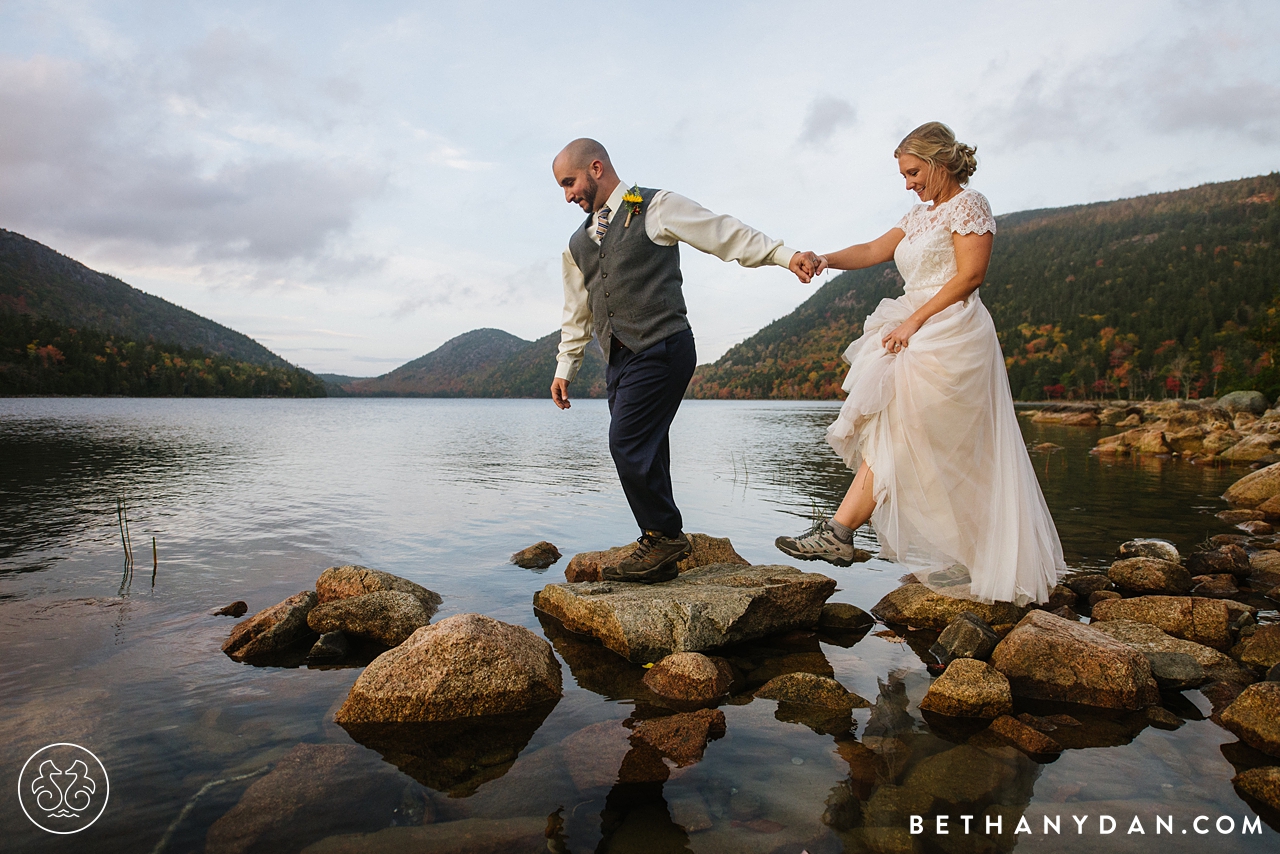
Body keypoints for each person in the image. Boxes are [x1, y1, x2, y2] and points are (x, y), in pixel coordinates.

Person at [774, 122, 1065, 606]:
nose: (908, 183)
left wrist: (915, 321)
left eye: (912, 172)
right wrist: (824, 258)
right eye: (904, 175)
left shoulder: (970, 205)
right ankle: (842, 533)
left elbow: (971, 275)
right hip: (913, 328)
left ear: (938, 162)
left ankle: (841, 532)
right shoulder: (916, 216)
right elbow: (872, 250)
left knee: (917, 432)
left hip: (951, 332)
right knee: (897, 427)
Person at [551, 138, 819, 583]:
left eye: (570, 182)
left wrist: (783, 256)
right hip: (619, 358)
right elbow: (576, 310)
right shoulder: (577, 244)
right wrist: (566, 367)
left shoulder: (655, 207)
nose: (567, 195)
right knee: (647, 447)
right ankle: (660, 554)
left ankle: (664, 535)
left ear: (596, 168)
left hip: (664, 345)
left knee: (626, 442)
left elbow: (722, 233)